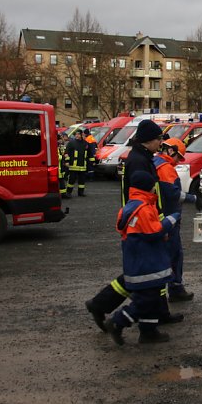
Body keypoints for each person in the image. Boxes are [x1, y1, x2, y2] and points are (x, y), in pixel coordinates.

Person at [85, 119, 165, 329]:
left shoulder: (140, 156)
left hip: (139, 219)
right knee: (141, 275)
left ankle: (157, 312)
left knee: (141, 274)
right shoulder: (139, 160)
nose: (161, 142)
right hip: (140, 222)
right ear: (149, 140)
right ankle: (101, 305)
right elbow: (142, 193)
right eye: (159, 138)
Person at [103, 171, 181, 345]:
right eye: (153, 185)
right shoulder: (143, 209)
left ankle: (149, 332)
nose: (155, 188)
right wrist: (171, 220)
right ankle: (118, 322)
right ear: (147, 186)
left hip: (140, 263)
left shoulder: (134, 205)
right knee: (147, 300)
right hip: (147, 264)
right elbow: (153, 232)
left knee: (150, 299)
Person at [154, 137, 202, 302]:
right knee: (174, 254)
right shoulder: (165, 168)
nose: (178, 161)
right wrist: (194, 199)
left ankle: (166, 288)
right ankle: (175, 288)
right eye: (178, 157)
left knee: (163, 255)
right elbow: (173, 194)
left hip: (157, 217)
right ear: (171, 151)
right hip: (169, 219)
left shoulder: (154, 162)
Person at [64, 129, 91, 197]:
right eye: (76, 134)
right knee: (71, 180)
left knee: (82, 181)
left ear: (82, 135)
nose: (77, 135)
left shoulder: (85, 143)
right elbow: (66, 153)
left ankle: (81, 193)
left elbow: (89, 153)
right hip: (73, 165)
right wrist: (67, 161)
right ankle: (69, 193)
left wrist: (92, 162)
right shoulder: (71, 143)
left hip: (82, 166)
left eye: (78, 134)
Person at [57, 132, 70, 199]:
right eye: (60, 139)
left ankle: (63, 194)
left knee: (62, 181)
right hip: (57, 168)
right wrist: (62, 157)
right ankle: (60, 194)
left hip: (61, 167)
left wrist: (66, 160)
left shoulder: (61, 146)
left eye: (61, 139)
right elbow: (58, 157)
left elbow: (65, 154)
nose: (61, 141)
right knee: (59, 182)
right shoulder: (54, 146)